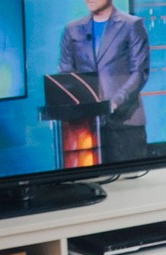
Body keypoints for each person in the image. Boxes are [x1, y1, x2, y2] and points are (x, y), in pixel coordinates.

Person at [60, 0, 151, 164]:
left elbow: (139, 73)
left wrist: (115, 102)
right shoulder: (72, 29)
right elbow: (66, 72)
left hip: (125, 122)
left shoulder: (131, 25)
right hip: (86, 125)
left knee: (129, 182)